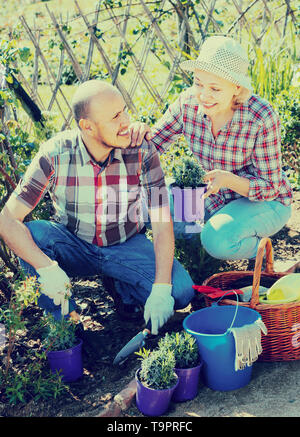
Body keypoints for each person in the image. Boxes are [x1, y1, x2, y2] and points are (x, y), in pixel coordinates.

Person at [0, 80, 194, 335]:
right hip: (74, 244)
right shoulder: (55, 153)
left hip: (125, 243)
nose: (126, 121)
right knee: (33, 234)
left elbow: (161, 224)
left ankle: (120, 286)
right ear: (87, 126)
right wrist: (45, 267)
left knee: (180, 291)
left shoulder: (141, 150)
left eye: (124, 110)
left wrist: (160, 288)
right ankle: (66, 325)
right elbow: (6, 219)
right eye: (115, 116)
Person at [129, 36, 293, 262]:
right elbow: (153, 145)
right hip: (212, 198)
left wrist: (227, 180)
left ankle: (260, 251)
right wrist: (140, 131)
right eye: (198, 83)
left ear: (236, 87)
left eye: (215, 88)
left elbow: (270, 187)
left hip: (264, 202)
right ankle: (202, 257)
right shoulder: (188, 103)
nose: (204, 95)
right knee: (149, 203)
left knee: (217, 240)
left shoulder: (261, 117)